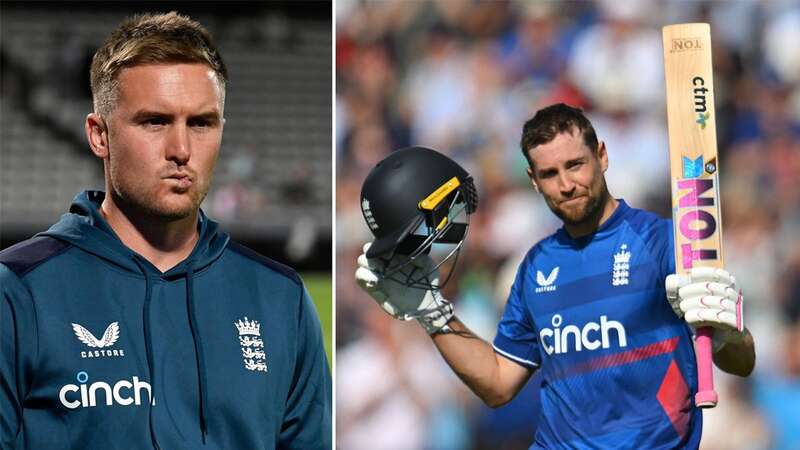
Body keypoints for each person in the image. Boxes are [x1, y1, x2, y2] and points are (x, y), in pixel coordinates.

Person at [0, 12, 331, 450]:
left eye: (201, 123)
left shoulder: (281, 298)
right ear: (99, 135)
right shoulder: (17, 291)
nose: (181, 150)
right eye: (155, 121)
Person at [356, 103, 755, 449]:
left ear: (602, 155)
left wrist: (729, 334)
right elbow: (498, 383)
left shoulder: (666, 241)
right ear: (533, 180)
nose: (566, 185)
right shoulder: (535, 267)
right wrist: (434, 314)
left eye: (575, 165)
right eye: (549, 174)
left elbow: (741, 362)